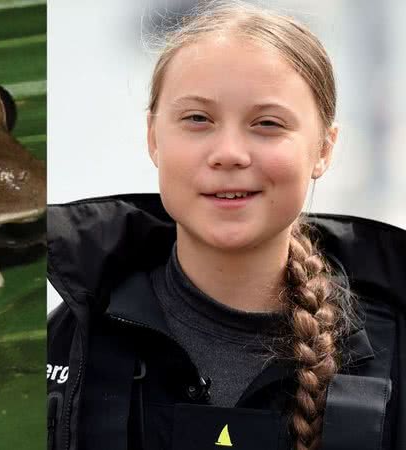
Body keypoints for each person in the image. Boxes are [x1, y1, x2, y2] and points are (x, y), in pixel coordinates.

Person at [46, 2, 406, 449]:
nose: (229, 152)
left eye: (267, 124)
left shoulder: (396, 351)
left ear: (324, 149)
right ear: (154, 136)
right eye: (197, 119)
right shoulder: (66, 344)